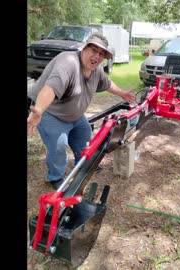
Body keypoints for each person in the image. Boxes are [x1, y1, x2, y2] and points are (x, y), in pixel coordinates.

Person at [27, 33, 135, 189]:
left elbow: (108, 83)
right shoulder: (68, 62)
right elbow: (51, 88)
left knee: (85, 139)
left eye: (101, 53)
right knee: (58, 147)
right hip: (51, 113)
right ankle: (55, 177)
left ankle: (83, 164)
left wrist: (122, 94)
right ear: (84, 48)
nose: (97, 56)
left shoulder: (96, 70)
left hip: (75, 116)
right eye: (93, 50)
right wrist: (38, 110)